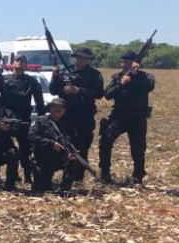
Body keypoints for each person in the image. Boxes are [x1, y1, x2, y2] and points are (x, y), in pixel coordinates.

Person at [99, 50, 155, 185]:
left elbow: (149, 87)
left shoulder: (146, 76)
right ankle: (105, 174)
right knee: (105, 142)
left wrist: (135, 77)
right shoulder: (116, 77)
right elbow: (107, 94)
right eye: (123, 62)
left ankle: (138, 177)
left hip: (138, 117)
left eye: (128, 62)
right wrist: (122, 83)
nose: (124, 64)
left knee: (138, 149)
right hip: (119, 116)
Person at [50, 46, 103, 182]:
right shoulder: (65, 72)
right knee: (65, 145)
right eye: (78, 57)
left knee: (82, 147)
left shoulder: (94, 74)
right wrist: (54, 77)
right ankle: (67, 175)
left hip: (84, 116)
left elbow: (99, 93)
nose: (80, 60)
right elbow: (53, 90)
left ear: (88, 60)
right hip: (66, 117)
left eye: (84, 58)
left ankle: (78, 177)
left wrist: (79, 90)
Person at [0, 55, 45, 183]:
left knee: (26, 149)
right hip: (6, 117)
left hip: (23, 118)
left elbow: (39, 101)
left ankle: (28, 175)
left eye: (23, 61)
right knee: (0, 146)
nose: (20, 63)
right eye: (17, 60)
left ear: (26, 64)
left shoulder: (31, 81)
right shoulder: (4, 79)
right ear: (12, 63)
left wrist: (42, 119)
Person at [28, 98, 80, 193]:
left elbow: (73, 140)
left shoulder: (68, 123)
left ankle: (65, 188)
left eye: (61, 107)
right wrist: (51, 143)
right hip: (43, 158)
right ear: (50, 109)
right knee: (42, 188)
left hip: (60, 157)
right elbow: (32, 136)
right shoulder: (39, 121)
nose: (58, 109)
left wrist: (70, 153)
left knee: (74, 162)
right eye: (55, 107)